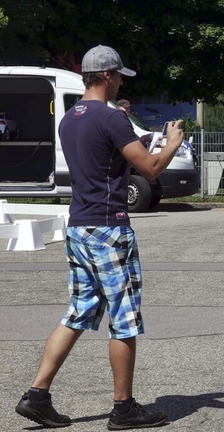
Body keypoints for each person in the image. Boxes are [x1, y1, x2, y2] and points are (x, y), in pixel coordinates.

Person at [14, 45, 181, 430]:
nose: (122, 81)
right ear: (106, 76)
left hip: (79, 225)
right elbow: (152, 169)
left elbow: (105, 160)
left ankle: (37, 394)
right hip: (110, 228)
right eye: (120, 75)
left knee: (78, 311)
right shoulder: (112, 119)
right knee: (123, 320)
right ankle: (123, 409)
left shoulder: (70, 118)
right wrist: (171, 143)